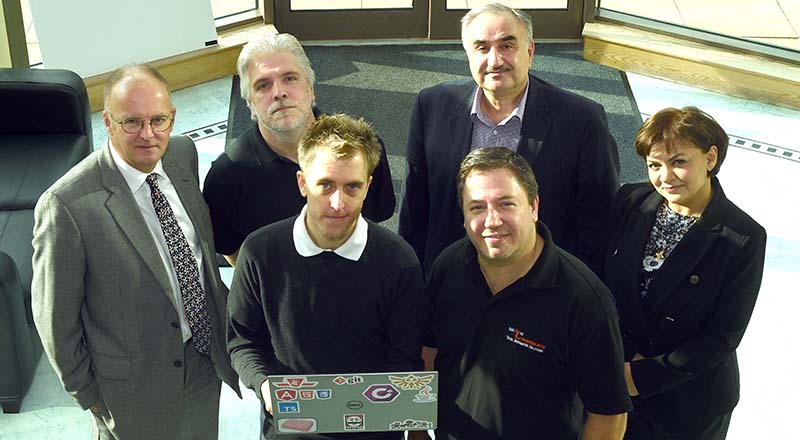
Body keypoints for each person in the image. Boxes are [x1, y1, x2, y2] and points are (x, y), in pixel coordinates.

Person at [31, 65, 240, 439]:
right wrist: (89, 394)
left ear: (172, 117)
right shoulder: (67, 206)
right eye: (132, 122)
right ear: (108, 123)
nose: (148, 134)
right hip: (130, 391)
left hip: (204, 363)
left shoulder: (182, 153)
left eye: (158, 119)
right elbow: (55, 321)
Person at [227, 113, 425, 440]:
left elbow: (404, 358)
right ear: (303, 183)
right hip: (289, 432)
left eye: (352, 187)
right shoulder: (259, 253)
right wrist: (264, 385)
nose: (337, 203)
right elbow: (242, 340)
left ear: (368, 187)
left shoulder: (399, 262)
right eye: (325, 185)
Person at [420, 147, 630, 440]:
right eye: (477, 207)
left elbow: (609, 415)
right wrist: (417, 432)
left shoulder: (584, 300)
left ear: (533, 207)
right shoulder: (448, 265)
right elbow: (428, 354)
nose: (492, 221)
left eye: (506, 204)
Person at [399, 2, 619, 274]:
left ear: (530, 51)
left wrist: (568, 289)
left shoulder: (581, 120)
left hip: (538, 282)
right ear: (468, 54)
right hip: (449, 277)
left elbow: (598, 223)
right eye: (482, 48)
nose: (494, 60)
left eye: (507, 46)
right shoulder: (431, 105)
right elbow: (415, 208)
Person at [601, 107, 767, 440]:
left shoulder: (742, 236)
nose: (665, 177)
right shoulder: (630, 200)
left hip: (687, 403)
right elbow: (602, 285)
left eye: (679, 162)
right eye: (654, 165)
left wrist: (641, 376)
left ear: (710, 157)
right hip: (618, 382)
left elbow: (722, 336)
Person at [203, 33, 395, 266]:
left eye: (290, 78)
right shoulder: (226, 178)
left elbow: (377, 218)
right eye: (263, 85)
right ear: (250, 104)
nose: (279, 93)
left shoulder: (362, 150)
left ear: (311, 89)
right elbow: (234, 252)